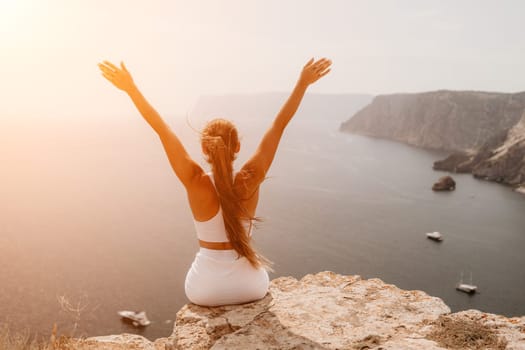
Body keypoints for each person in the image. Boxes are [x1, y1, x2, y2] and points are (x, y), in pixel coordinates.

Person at [97, 57, 332, 306]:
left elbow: (162, 129)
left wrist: (131, 89)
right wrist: (302, 84)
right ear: (238, 146)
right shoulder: (250, 178)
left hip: (205, 290)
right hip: (251, 286)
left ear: (204, 149)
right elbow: (279, 125)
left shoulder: (194, 180)